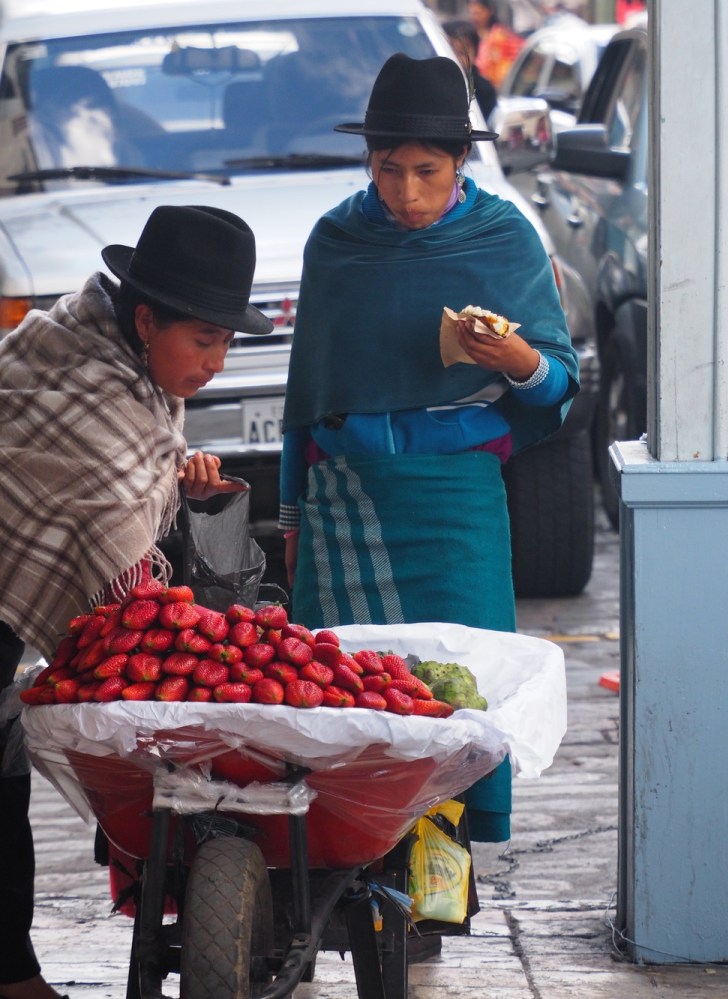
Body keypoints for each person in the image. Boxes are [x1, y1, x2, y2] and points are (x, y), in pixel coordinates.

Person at [279, 53, 579, 844]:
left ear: (460, 164)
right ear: (367, 161)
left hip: (455, 507)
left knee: (455, 702)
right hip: (345, 507)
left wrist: (516, 360)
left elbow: (557, 385)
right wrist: (289, 520)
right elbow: (305, 403)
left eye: (427, 171)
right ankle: (349, 870)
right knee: (344, 705)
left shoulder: (504, 237)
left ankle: (437, 885)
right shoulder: (337, 242)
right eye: (388, 170)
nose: (406, 193)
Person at [0, 204, 272, 999]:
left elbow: (125, 485)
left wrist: (187, 489)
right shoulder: (76, 366)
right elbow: (117, 553)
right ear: (146, 318)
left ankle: (10, 970)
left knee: (1, 770)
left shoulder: (126, 373)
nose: (217, 362)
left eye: (228, 342)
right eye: (203, 339)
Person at [443, 19, 499, 123]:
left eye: (462, 52)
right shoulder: (429, 86)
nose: (456, 59)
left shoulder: (483, 90)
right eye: (451, 51)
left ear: (475, 53)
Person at [467, 0, 525, 89]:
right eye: (472, 14)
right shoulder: (469, 36)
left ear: (489, 11)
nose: (475, 18)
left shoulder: (502, 36)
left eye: (478, 13)